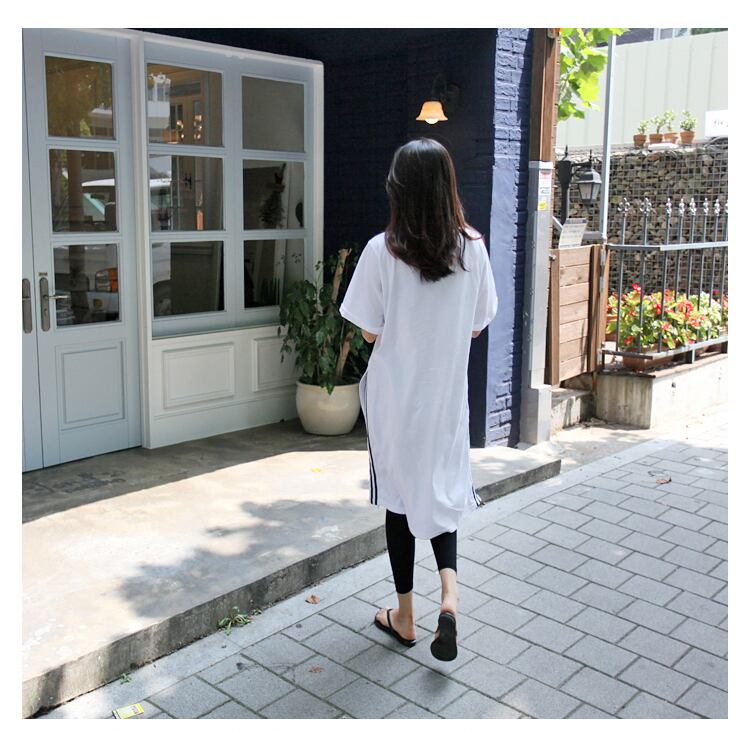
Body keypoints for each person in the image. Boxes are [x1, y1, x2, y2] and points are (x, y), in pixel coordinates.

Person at [339, 137, 498, 661]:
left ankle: (405, 617)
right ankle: (449, 596)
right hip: (446, 399)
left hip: (396, 401)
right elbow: (477, 325)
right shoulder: (473, 249)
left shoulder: (381, 251)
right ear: (447, 186)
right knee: (441, 492)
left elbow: (367, 330)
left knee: (400, 500)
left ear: (399, 190)